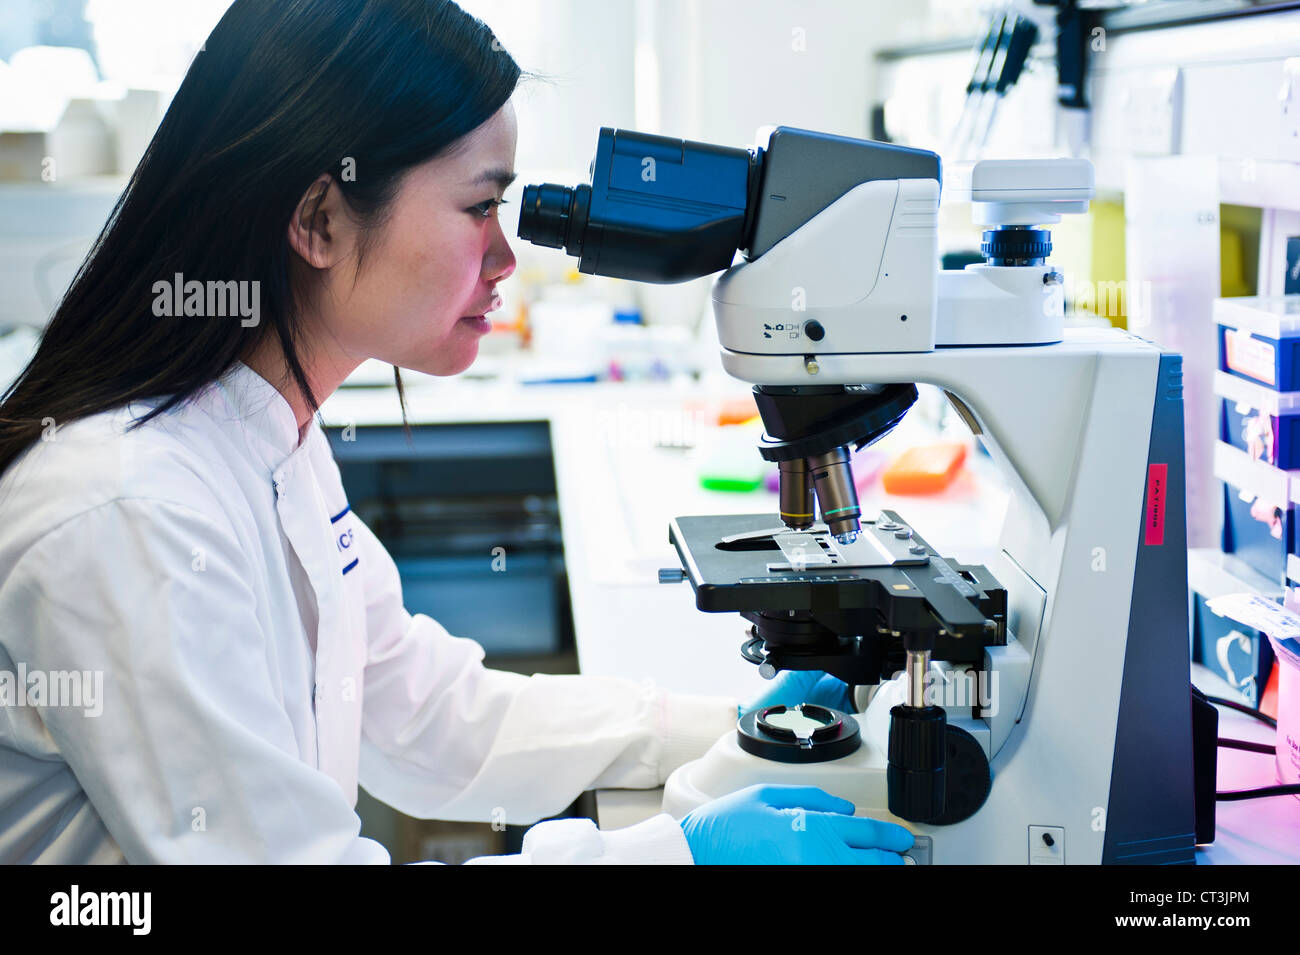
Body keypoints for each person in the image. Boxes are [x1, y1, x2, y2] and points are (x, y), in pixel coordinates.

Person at [0, 0, 913, 865]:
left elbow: (424, 715)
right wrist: (676, 853)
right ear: (320, 220)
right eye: (481, 208)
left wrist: (728, 725)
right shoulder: (132, 515)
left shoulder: (263, 434)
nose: (508, 259)